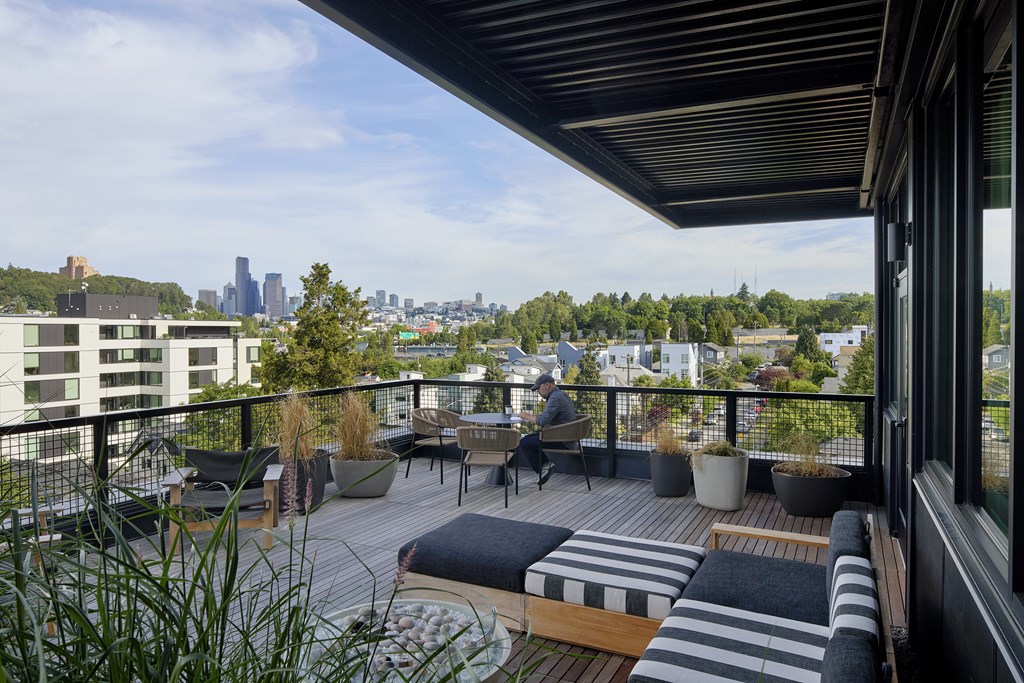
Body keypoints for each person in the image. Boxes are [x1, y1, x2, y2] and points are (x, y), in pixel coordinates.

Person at [516, 373, 576, 485]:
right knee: (528, 439)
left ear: (547, 385)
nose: (538, 392)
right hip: (565, 436)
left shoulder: (555, 398)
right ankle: (545, 466)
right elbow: (548, 417)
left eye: (539, 388)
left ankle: (545, 466)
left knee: (524, 443)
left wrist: (525, 416)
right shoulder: (560, 395)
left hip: (562, 440)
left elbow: (542, 421)